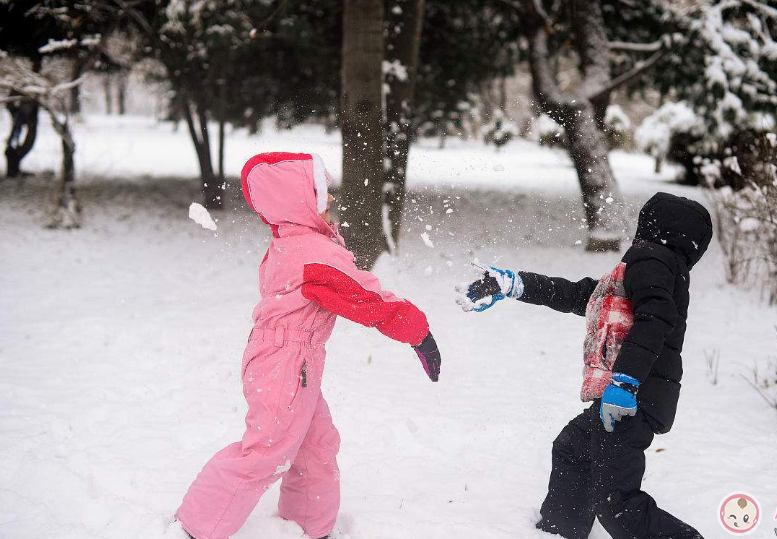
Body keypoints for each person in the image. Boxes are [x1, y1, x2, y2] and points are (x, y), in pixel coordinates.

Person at [177, 152, 441, 539]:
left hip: (286, 360)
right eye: (321, 191)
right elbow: (365, 299)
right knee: (264, 452)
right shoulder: (313, 253)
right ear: (297, 200)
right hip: (286, 363)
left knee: (314, 445)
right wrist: (417, 332)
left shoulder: (293, 238)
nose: (330, 199)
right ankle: (194, 529)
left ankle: (307, 526)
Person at [455, 192, 711, 539]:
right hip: (625, 398)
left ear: (650, 224)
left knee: (618, 506)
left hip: (629, 399)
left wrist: (625, 382)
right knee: (572, 449)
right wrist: (516, 284)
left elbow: (655, 319)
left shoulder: (651, 260)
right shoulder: (646, 270)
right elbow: (582, 296)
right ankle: (561, 531)